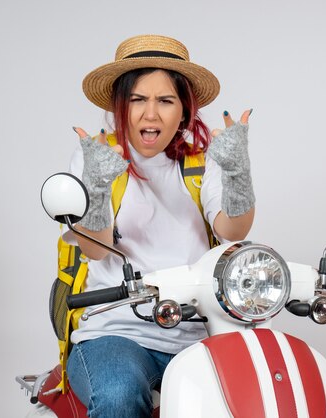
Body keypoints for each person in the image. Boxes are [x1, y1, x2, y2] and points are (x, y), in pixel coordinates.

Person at [64, 34, 255, 417]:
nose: (151, 114)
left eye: (165, 100)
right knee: (119, 394)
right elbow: (94, 249)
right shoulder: (98, 157)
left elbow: (234, 231)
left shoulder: (203, 163)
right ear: (120, 106)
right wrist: (97, 188)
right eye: (138, 99)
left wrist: (237, 172)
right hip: (115, 332)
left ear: (183, 110)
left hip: (197, 333)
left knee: (252, 394)